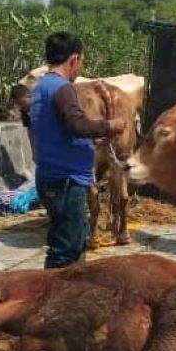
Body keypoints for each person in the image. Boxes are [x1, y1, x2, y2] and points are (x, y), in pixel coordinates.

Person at [29, 32, 126, 268]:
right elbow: (76, 124)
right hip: (66, 182)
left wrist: (91, 143)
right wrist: (109, 126)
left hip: (54, 178)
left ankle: (69, 296)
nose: (80, 67)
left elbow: (59, 131)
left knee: (72, 242)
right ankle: (54, 298)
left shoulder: (42, 87)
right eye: (81, 61)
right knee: (66, 249)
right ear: (74, 59)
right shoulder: (63, 89)